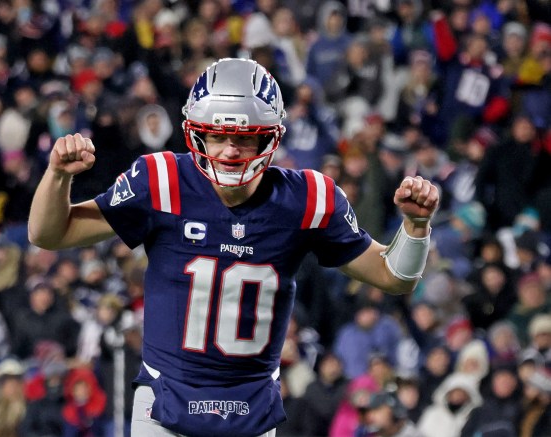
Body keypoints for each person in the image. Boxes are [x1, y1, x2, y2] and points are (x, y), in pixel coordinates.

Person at [28, 58, 440, 437]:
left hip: (251, 406)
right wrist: (57, 177)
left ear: (270, 139)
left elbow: (394, 277)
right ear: (197, 132)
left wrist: (416, 226)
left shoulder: (309, 198)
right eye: (217, 135)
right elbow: (48, 234)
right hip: (165, 400)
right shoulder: (162, 181)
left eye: (244, 138)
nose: (229, 150)